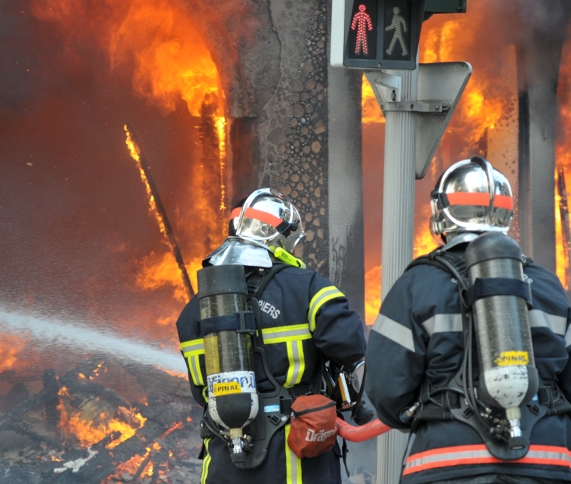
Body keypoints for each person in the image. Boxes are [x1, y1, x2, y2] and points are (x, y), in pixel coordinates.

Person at [365, 157, 571, 484]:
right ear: (505, 214)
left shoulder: (418, 284)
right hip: (547, 458)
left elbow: (386, 387)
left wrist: (425, 414)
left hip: (448, 458)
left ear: (442, 214)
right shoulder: (549, 285)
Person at [176, 188, 366, 484]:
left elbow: (199, 391)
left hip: (224, 459)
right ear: (275, 237)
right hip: (295, 455)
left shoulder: (196, 309)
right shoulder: (307, 288)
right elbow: (352, 345)